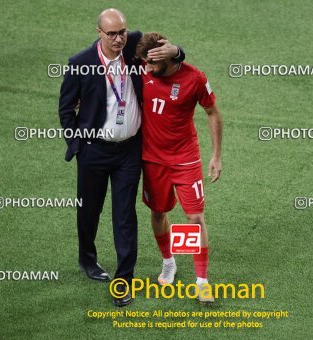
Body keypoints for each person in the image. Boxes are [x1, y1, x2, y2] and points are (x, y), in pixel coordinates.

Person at [58, 9, 185, 307]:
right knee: (89, 211)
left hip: (130, 151)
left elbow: (172, 54)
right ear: (99, 33)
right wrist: (78, 145)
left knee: (125, 215)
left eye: (122, 32)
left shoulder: (134, 44)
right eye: (112, 34)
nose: (119, 38)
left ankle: (123, 281)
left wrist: (177, 50)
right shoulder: (80, 63)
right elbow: (66, 110)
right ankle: (88, 260)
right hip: (94, 151)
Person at [135, 32, 223, 303]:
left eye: (151, 64)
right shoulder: (141, 69)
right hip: (152, 160)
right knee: (159, 212)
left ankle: (201, 280)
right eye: (145, 64)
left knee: (194, 217)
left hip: (185, 159)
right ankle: (169, 261)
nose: (147, 69)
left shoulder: (194, 78)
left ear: (167, 57)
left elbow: (212, 112)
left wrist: (216, 156)